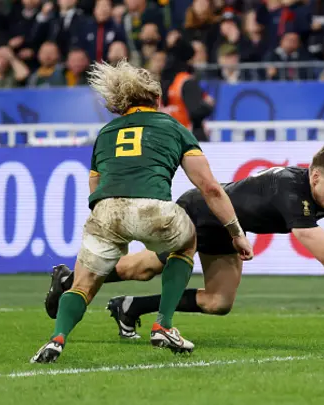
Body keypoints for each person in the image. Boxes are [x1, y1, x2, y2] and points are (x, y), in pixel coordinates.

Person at [45, 145, 324, 339]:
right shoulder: (291, 192)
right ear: (314, 176)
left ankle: (128, 307)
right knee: (146, 267)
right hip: (200, 212)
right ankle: (70, 282)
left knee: (219, 303)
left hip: (230, 231)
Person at [31, 59, 253, 363]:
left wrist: (107, 221)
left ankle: (57, 338)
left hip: (106, 210)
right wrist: (236, 233)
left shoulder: (106, 132)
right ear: (157, 99)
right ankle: (163, 324)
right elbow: (210, 188)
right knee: (187, 242)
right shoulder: (173, 126)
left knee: (83, 283)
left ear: (122, 103)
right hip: (153, 208)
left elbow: (95, 187)